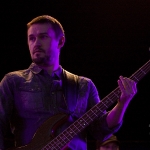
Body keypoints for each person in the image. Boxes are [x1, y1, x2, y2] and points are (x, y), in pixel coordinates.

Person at [0, 15, 137, 150]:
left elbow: (101, 131)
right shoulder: (13, 81)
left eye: (43, 37)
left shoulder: (83, 85)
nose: (36, 43)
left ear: (60, 41)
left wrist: (122, 103)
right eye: (31, 38)